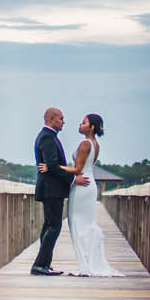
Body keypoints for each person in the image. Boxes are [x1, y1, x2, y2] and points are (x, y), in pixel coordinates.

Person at [65, 113, 119, 277]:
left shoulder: (85, 144)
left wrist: (54, 167)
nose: (80, 125)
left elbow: (77, 169)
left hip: (81, 185)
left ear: (92, 127)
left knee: (76, 224)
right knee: (86, 224)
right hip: (90, 184)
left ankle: (85, 265)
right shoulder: (95, 144)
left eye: (83, 123)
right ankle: (89, 262)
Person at [30, 107, 74, 275]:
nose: (63, 122)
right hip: (51, 189)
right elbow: (53, 165)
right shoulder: (47, 137)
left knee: (49, 225)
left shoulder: (48, 136)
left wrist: (52, 167)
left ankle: (44, 263)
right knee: (54, 226)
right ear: (50, 119)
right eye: (61, 118)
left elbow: (52, 165)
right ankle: (40, 264)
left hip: (50, 189)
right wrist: (73, 179)